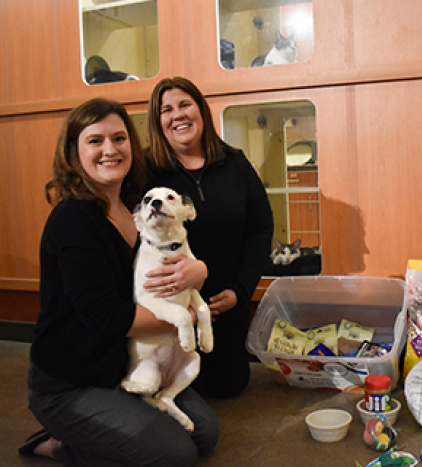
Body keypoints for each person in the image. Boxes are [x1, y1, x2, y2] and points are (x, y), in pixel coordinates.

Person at [20, 98, 219, 465]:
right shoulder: (73, 219)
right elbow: (106, 318)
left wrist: (200, 271)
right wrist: (190, 318)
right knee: (175, 454)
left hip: (125, 365)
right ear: (73, 152)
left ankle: (102, 433)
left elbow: (172, 273)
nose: (110, 149)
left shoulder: (138, 207)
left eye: (119, 138)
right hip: (71, 382)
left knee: (205, 434)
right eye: (95, 141)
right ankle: (62, 443)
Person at [143, 77, 274, 399]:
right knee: (181, 389)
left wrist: (240, 292)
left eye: (185, 105)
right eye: (167, 110)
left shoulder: (236, 164)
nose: (178, 115)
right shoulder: (145, 170)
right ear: (158, 121)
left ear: (201, 110)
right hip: (171, 306)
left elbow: (261, 229)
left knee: (230, 387)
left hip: (226, 305)